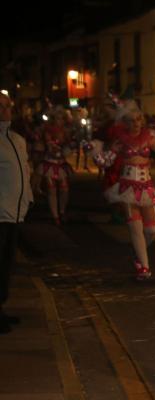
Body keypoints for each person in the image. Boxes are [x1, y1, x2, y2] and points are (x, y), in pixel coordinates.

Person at [88, 100, 155, 280]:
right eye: (131, 120)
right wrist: (95, 152)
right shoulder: (120, 141)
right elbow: (105, 161)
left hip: (147, 187)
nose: (136, 123)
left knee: (151, 231)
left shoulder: (149, 138)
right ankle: (144, 267)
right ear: (125, 122)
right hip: (127, 188)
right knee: (135, 229)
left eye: (138, 119)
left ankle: (139, 255)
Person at [0, 93, 33, 334]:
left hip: (15, 212)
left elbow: (25, 170)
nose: (4, 111)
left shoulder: (17, 139)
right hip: (0, 213)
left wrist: (28, 197)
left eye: (6, 107)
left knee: (6, 264)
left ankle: (0, 307)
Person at [35, 106, 75, 225]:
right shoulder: (48, 130)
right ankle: (55, 216)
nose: (60, 121)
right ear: (53, 119)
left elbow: (70, 144)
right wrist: (56, 147)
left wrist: (70, 146)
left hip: (61, 164)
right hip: (49, 164)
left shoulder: (66, 132)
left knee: (65, 189)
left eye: (62, 118)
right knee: (51, 190)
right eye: (58, 118)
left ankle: (62, 212)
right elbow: (49, 145)